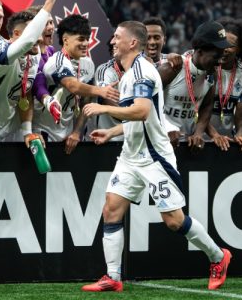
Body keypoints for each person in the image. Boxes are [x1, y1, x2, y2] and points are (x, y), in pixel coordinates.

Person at [81, 21, 231, 292]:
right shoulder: (128, 74)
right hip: (131, 154)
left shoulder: (141, 73)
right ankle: (112, 276)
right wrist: (113, 131)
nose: (112, 42)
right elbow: (144, 117)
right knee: (111, 209)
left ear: (132, 43)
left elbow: (140, 111)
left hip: (154, 157)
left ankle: (218, 257)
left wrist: (101, 109)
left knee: (174, 221)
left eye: (117, 38)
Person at [0, 0, 55, 143]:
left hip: (11, 131)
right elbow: (27, 40)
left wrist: (27, 131)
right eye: (35, 32)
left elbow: (25, 93)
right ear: (17, 35)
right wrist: (49, 2)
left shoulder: (32, 58)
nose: (40, 38)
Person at [32, 15, 118, 153]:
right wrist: (101, 90)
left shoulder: (88, 64)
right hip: (44, 131)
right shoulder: (56, 62)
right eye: (80, 39)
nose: (85, 43)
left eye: (87, 39)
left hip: (69, 134)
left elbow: (86, 101)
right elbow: (72, 85)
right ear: (65, 40)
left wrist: (77, 131)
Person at [157, 21, 230, 150]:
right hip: (161, 140)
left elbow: (206, 107)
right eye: (215, 57)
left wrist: (198, 133)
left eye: (221, 56)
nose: (220, 62)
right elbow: (147, 103)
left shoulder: (211, 73)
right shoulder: (172, 68)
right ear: (200, 52)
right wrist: (168, 128)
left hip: (187, 144)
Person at [205, 17, 242, 153]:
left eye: (231, 45)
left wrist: (240, 133)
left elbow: (241, 111)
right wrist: (214, 134)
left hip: (226, 141)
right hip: (200, 138)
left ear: (240, 49)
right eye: (222, 42)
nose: (224, 48)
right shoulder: (204, 67)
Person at [93, 41, 124, 142]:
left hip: (132, 137)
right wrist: (134, 117)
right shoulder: (105, 70)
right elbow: (106, 99)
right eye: (115, 48)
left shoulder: (139, 69)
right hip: (106, 138)